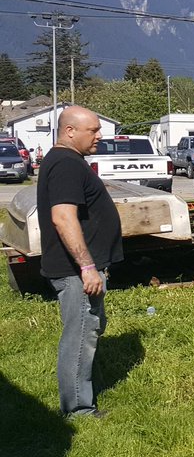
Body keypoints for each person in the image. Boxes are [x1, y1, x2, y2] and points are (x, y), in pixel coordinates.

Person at [37, 106, 123, 419]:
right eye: (94, 130)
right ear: (70, 131)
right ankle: (78, 409)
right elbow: (62, 217)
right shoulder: (65, 164)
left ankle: (80, 392)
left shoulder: (67, 161)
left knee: (89, 328)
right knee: (81, 334)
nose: (99, 136)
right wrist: (87, 267)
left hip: (80, 268)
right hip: (75, 271)